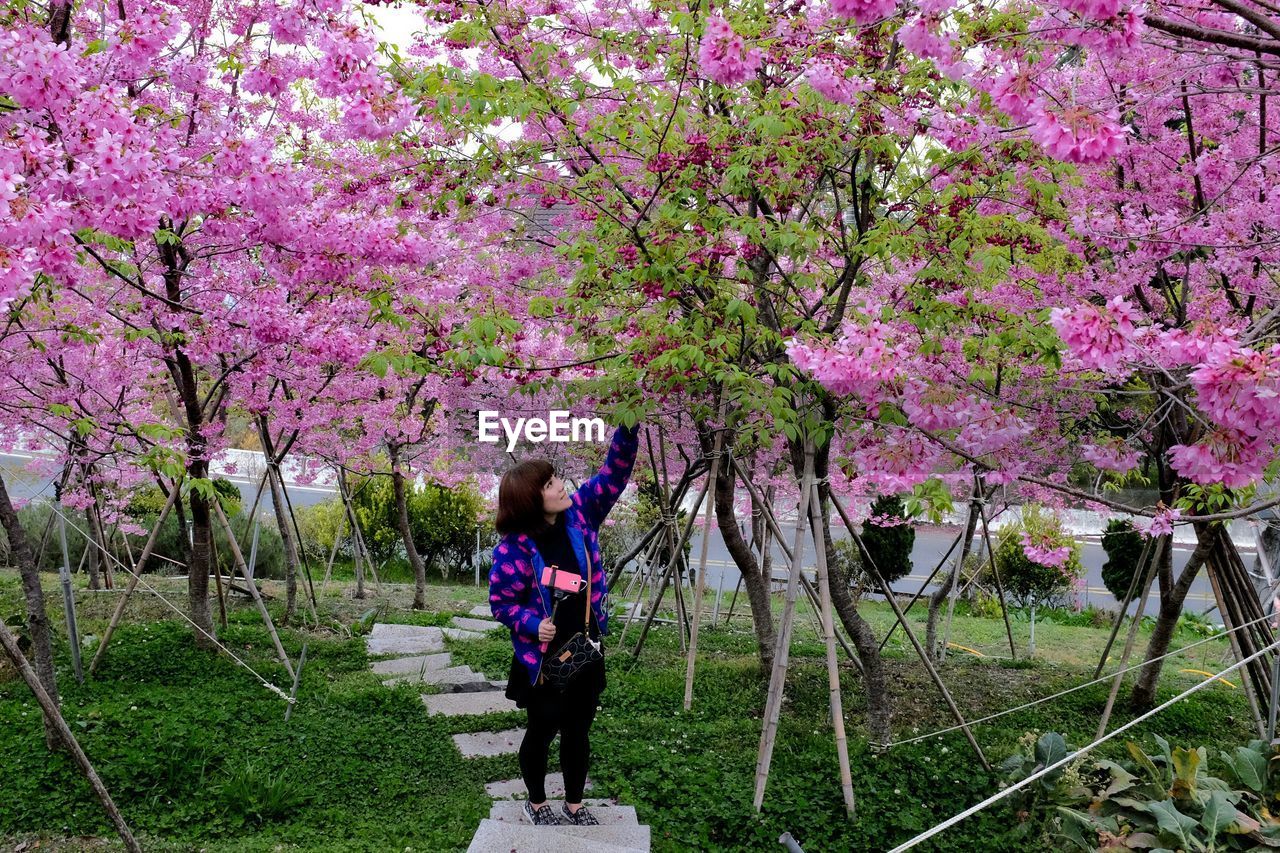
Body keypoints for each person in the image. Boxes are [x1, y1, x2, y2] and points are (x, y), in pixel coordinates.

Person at [488, 421, 640, 827]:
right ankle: (536, 803)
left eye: (557, 478)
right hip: (542, 659)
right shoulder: (514, 549)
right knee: (541, 730)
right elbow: (501, 604)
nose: (560, 486)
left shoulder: (581, 516)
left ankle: (574, 803)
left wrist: (628, 427)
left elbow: (614, 475)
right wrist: (532, 622)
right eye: (550, 483)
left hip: (584, 650)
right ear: (529, 500)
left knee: (579, 729)